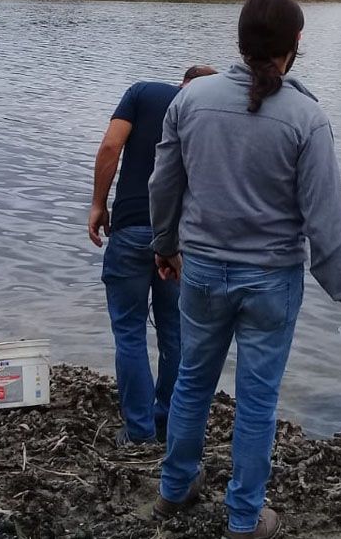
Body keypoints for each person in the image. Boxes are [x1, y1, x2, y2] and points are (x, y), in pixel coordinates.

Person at [148, 0, 341, 539]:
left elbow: (163, 186)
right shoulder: (307, 118)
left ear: (241, 39)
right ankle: (245, 519)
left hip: (200, 271)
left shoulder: (191, 100)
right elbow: (325, 228)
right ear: (296, 44)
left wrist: (164, 246)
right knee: (256, 402)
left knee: (191, 385)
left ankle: (175, 489)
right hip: (272, 282)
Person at [89, 64, 218, 445]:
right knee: (175, 334)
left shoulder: (143, 93)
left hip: (130, 228)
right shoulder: (212, 113)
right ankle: (167, 422)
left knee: (129, 332)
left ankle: (139, 430)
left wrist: (98, 203)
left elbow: (111, 146)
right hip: (180, 241)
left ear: (183, 81)